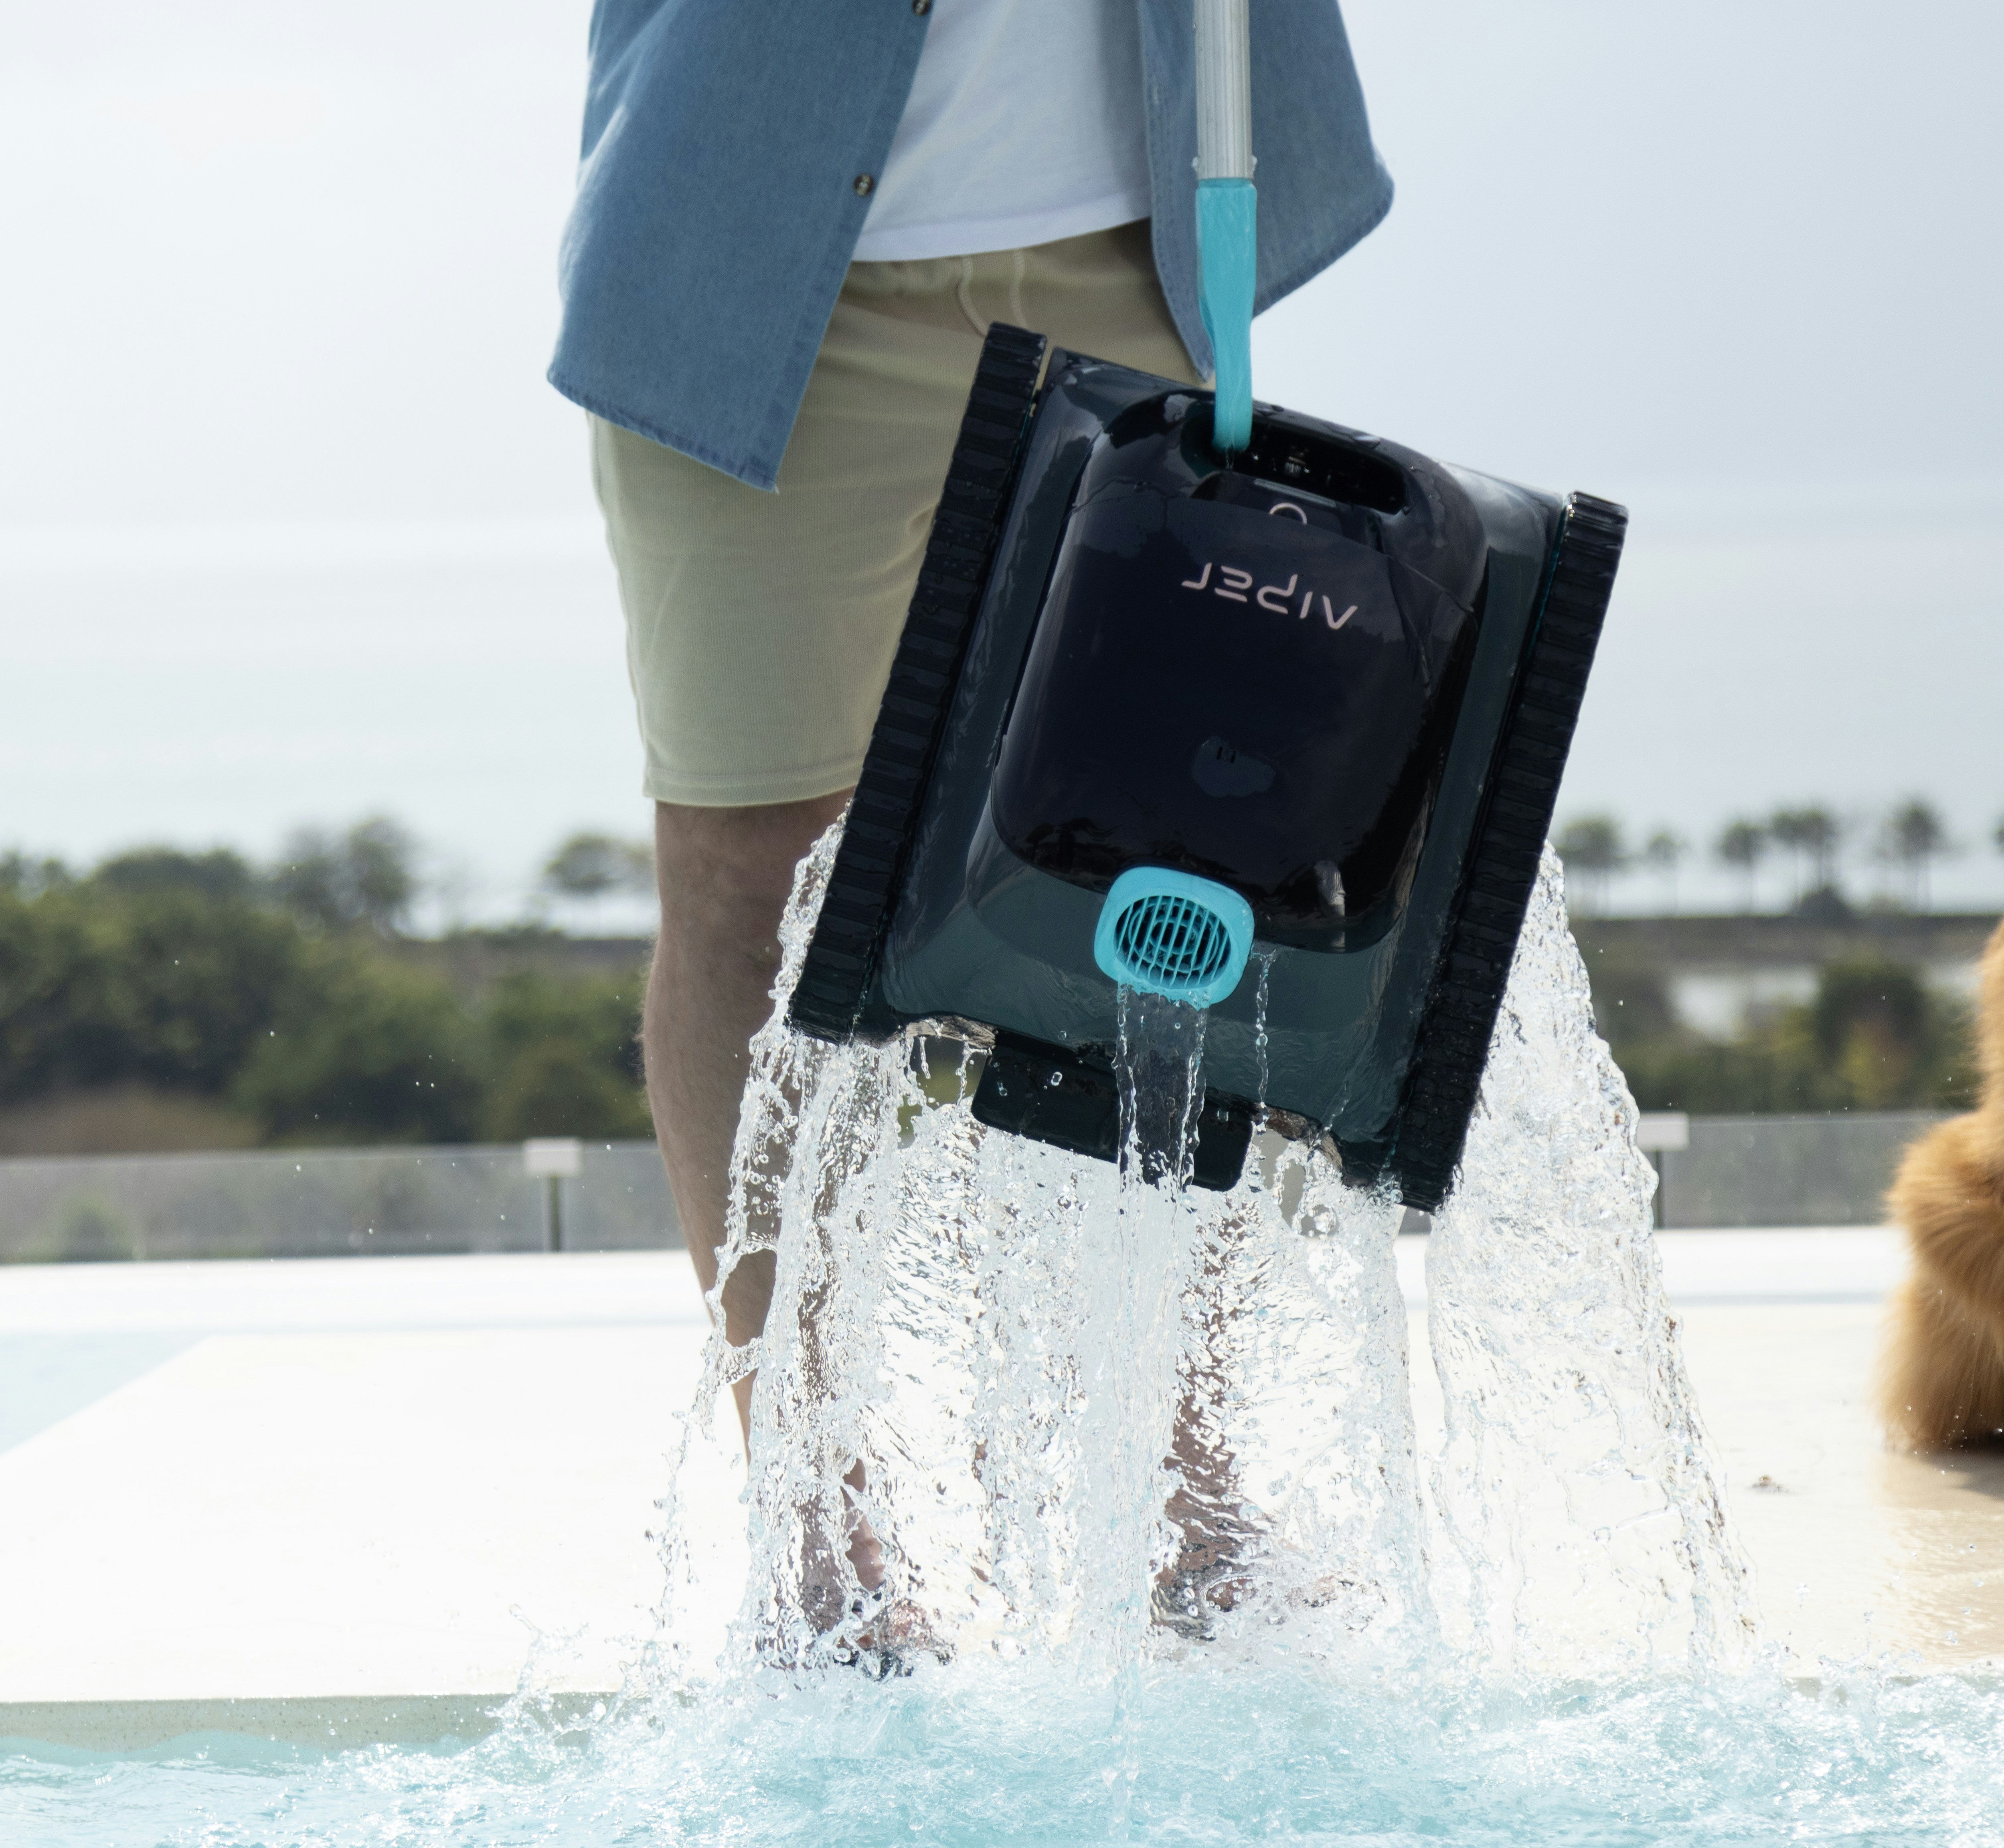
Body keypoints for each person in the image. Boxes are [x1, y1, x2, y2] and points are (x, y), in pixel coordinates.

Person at [549, 1, 1391, 1448]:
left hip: (1148, 241)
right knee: (749, 874)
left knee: (1165, 870)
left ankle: (1177, 1475)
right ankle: (813, 1503)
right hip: (748, 259)